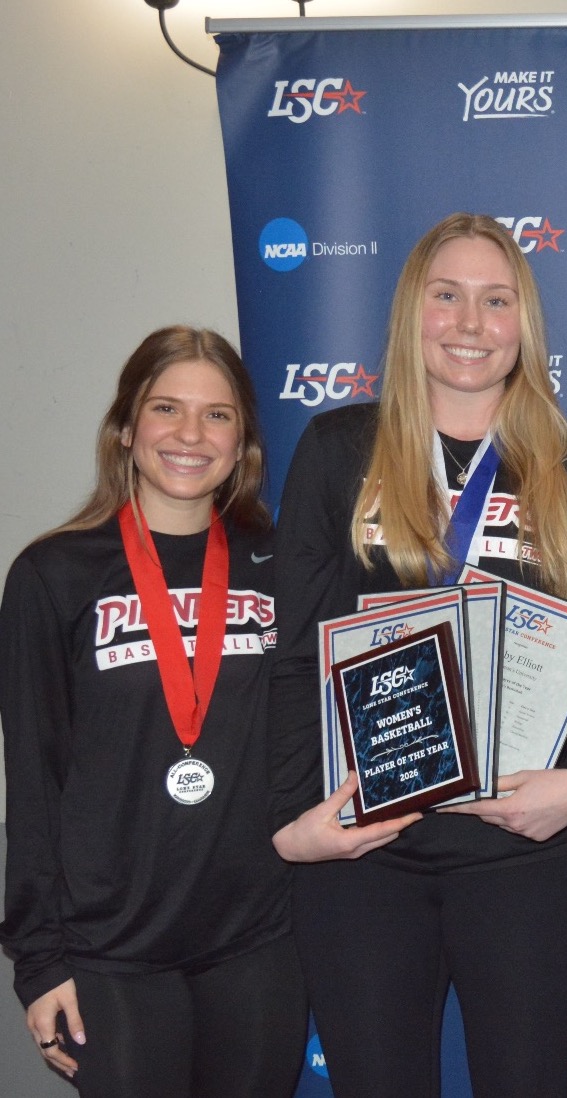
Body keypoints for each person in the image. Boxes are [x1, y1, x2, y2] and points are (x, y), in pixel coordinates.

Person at [267, 213, 567, 1097]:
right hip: (367, 853)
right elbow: (293, 657)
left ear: (525, 323)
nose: (470, 323)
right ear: (413, 312)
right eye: (446, 297)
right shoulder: (339, 453)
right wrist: (296, 819)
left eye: (495, 300)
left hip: (523, 856)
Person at [0, 327, 303, 1096]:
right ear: (128, 428)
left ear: (244, 444)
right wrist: (39, 960)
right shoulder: (52, 575)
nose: (191, 435)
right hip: (112, 947)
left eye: (218, 416)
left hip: (256, 938)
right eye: (167, 408)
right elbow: (33, 781)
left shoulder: (280, 568)